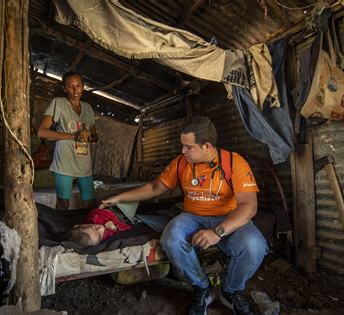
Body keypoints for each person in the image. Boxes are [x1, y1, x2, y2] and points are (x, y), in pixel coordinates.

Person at [100, 117, 267, 315]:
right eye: (183, 146)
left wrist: (217, 232)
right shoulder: (181, 163)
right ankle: (202, 287)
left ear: (206, 146)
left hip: (228, 217)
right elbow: (155, 187)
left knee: (255, 246)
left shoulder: (234, 163)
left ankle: (230, 291)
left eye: (188, 147)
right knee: (171, 238)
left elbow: (249, 206)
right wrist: (118, 198)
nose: (182, 151)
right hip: (192, 217)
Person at [38, 71, 98, 210]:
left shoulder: (87, 108)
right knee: (63, 202)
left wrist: (89, 136)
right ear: (64, 88)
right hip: (65, 161)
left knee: (89, 203)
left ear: (83, 87)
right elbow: (42, 132)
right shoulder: (58, 103)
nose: (75, 90)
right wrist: (73, 136)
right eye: (70, 86)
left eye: (78, 85)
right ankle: (59, 230)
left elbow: (95, 137)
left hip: (84, 162)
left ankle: (85, 231)